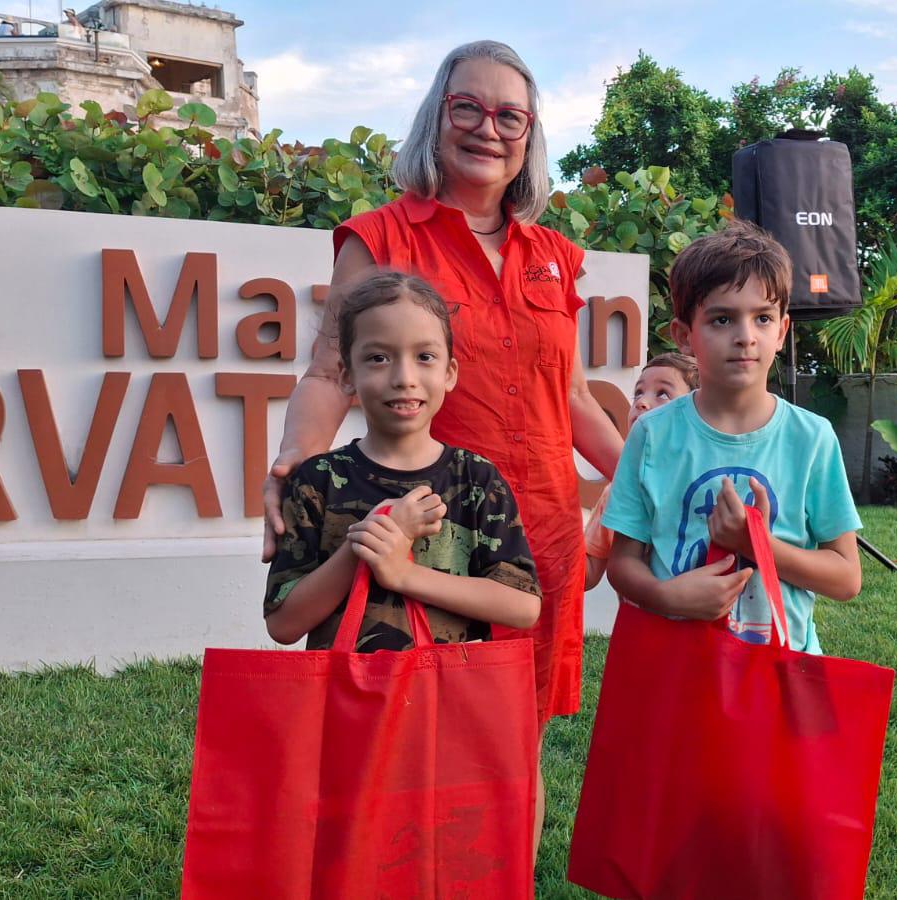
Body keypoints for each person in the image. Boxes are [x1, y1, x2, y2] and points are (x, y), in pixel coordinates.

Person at [261, 40, 622, 850]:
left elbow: (570, 398)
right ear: (437, 115)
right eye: (468, 107)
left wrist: (649, 479)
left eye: (510, 116)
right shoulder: (380, 237)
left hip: (537, 538)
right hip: (423, 531)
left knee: (513, 741)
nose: (488, 129)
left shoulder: (554, 258)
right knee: (402, 737)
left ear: (529, 135)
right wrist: (293, 466)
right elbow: (330, 371)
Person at [603, 222, 862, 654]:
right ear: (684, 336)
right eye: (722, 319)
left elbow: (846, 578)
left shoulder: (812, 438)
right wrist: (665, 597)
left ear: (781, 331)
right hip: (677, 664)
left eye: (763, 318)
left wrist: (755, 544)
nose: (745, 336)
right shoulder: (651, 435)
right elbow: (622, 562)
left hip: (779, 669)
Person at [263, 272, 540, 652]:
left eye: (424, 357)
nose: (404, 378)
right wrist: (363, 546)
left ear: (449, 373)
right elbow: (283, 624)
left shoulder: (477, 481)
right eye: (378, 358)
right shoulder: (318, 480)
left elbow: (522, 606)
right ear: (346, 375)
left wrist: (402, 574)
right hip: (346, 690)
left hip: (447, 688)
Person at [584, 353, 698, 590]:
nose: (642, 402)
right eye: (638, 392)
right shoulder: (617, 492)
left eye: (662, 394)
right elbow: (588, 573)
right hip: (638, 614)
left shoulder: (711, 484)